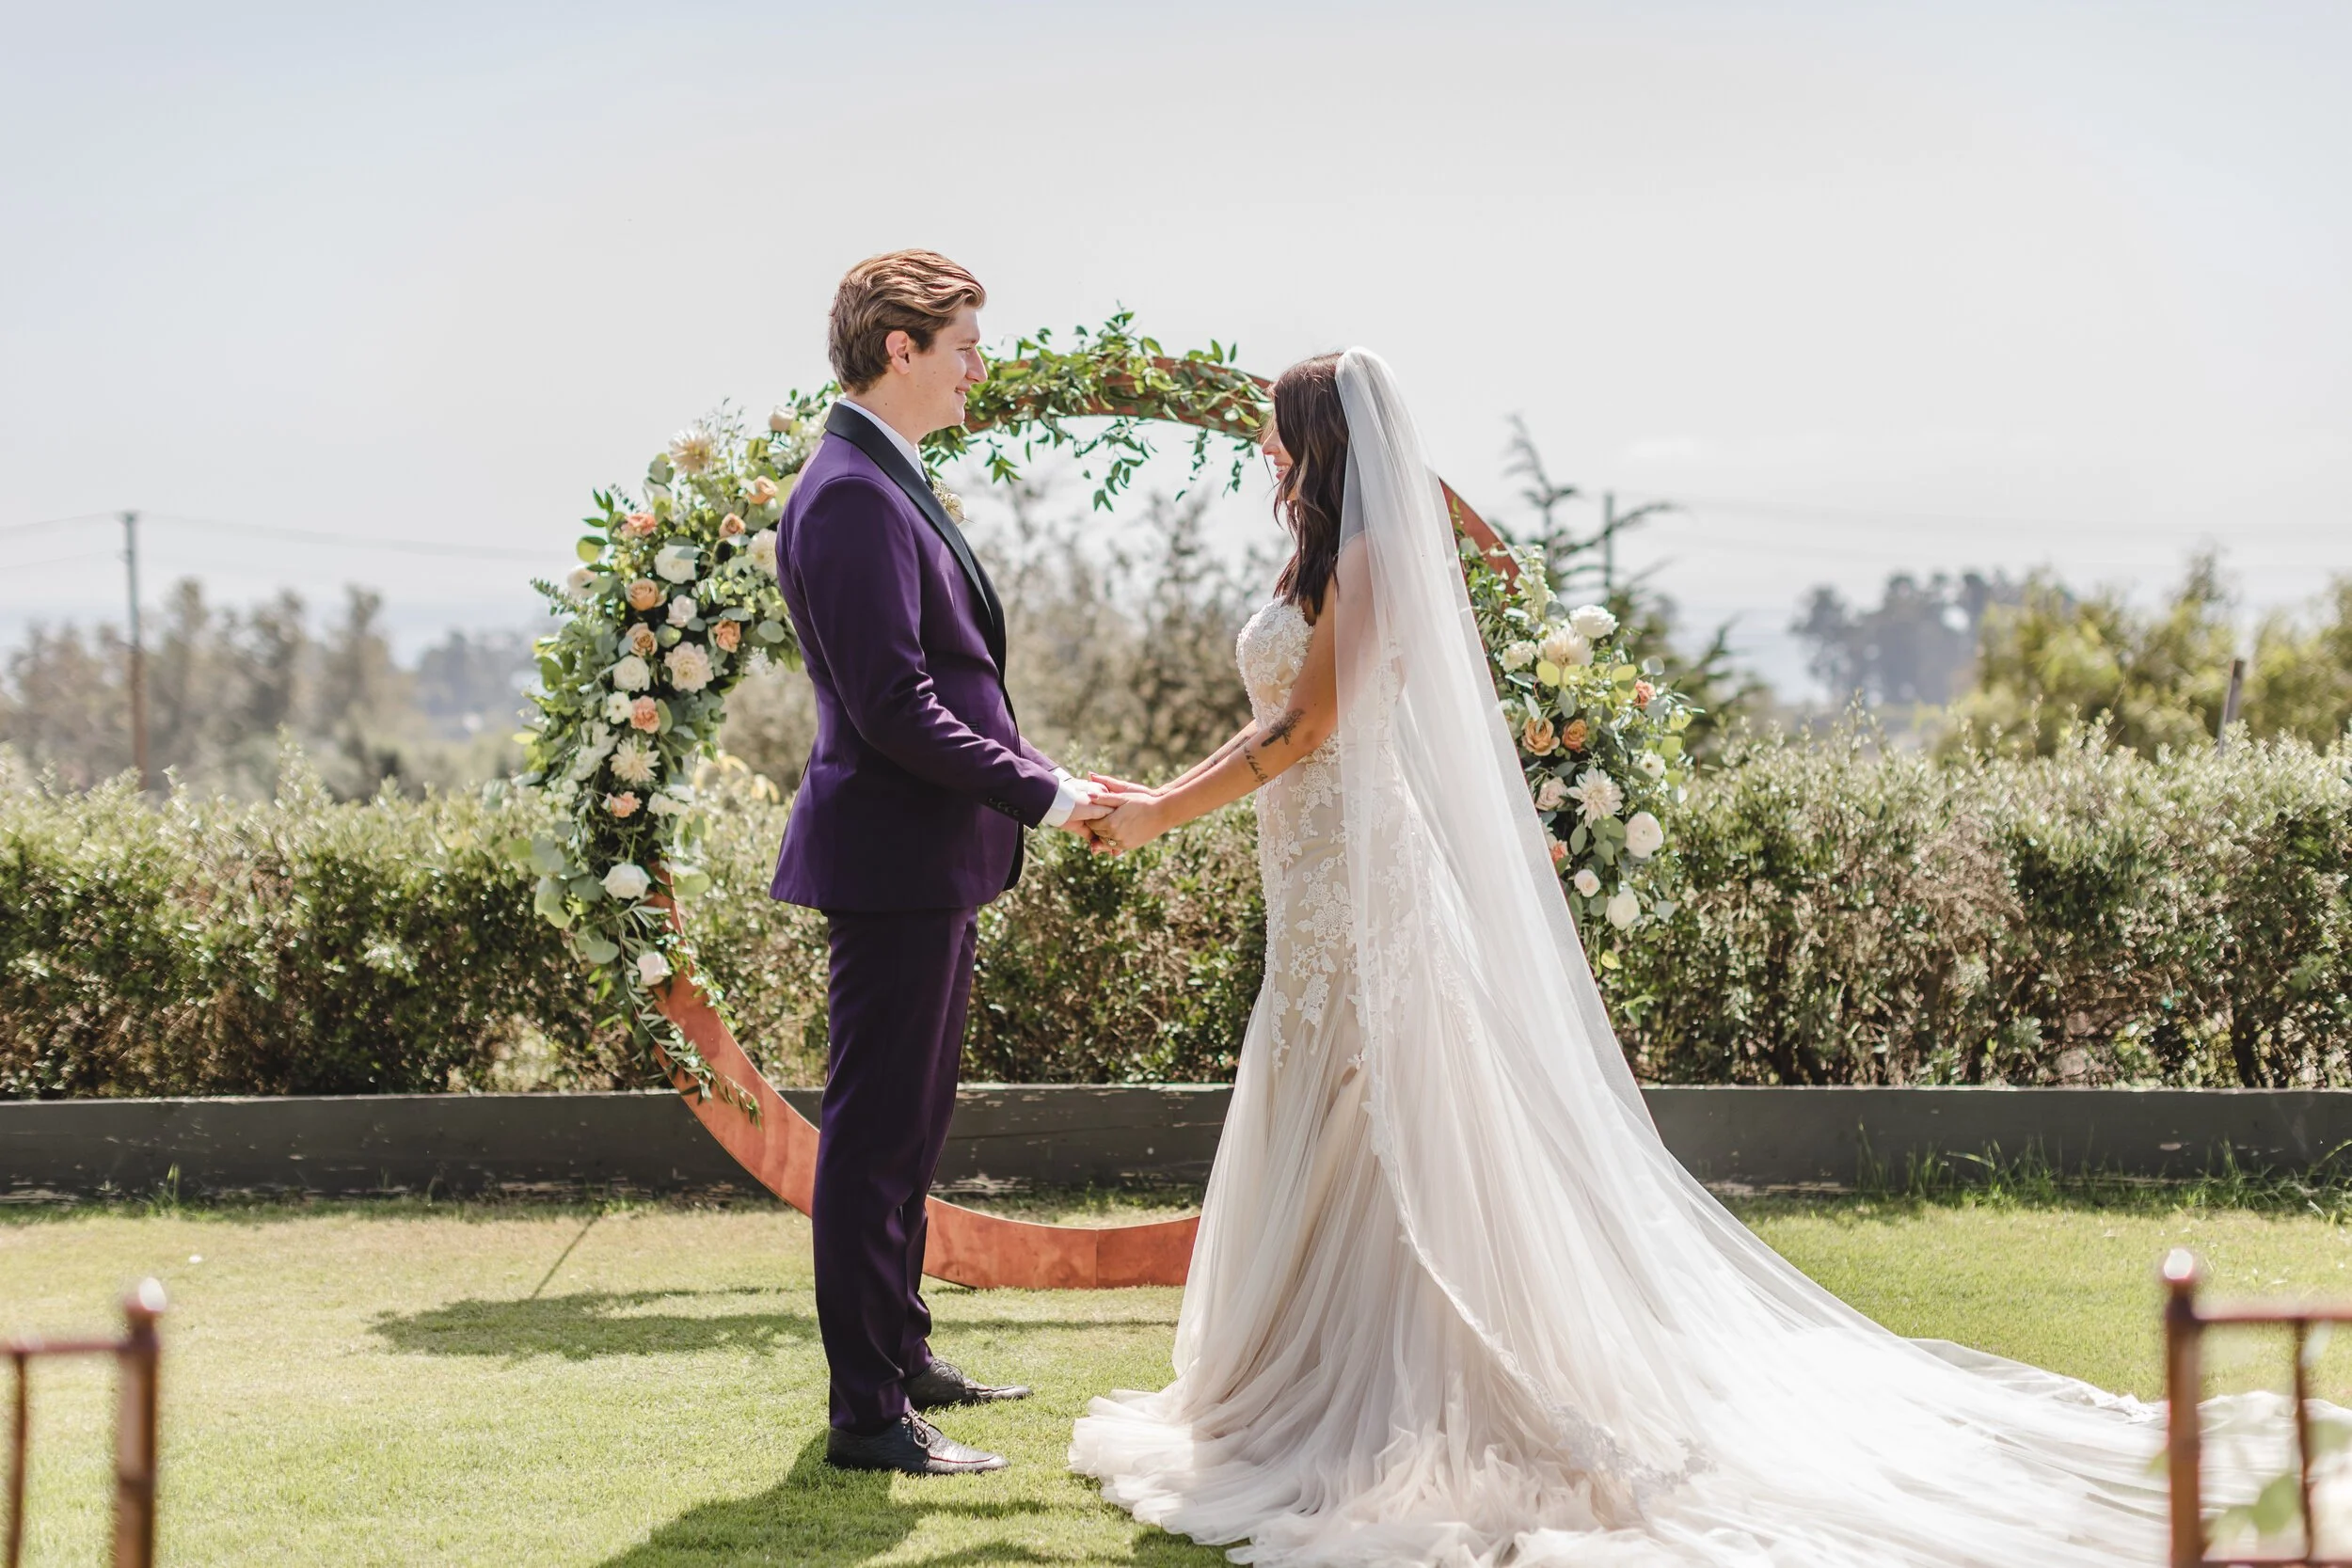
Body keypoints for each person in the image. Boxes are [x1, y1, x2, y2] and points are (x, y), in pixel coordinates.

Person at [1068, 349, 2292, 1564]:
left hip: (1364, 890)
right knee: (1325, 1122)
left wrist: (1160, 810)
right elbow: (1280, 722)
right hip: (1316, 882)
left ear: (1320, 441)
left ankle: (1408, 1386)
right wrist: (1157, 790)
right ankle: (1297, 1367)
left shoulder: (1377, 558)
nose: (1266, 448)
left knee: (1390, 1124)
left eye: (1280, 430)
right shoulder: (1322, 559)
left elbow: (1307, 724)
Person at [769, 249, 1111, 1476]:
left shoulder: (883, 478)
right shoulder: (853, 492)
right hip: (891, 861)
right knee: (872, 1140)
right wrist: (1049, 794)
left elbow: (948, 683)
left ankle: (901, 1354)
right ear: (899, 347)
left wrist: (1049, 772)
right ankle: (867, 1413)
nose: (981, 364)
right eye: (964, 341)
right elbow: (895, 707)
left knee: (908, 1131)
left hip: (928, 860)